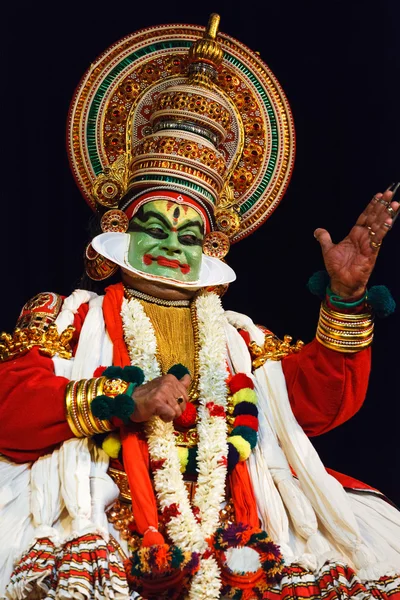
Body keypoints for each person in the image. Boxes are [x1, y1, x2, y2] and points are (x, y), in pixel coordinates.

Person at [1, 13, 399, 600]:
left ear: (210, 249)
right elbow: (9, 410)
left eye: (188, 237)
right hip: (98, 505)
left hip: (240, 518)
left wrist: (345, 297)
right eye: (154, 227)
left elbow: (318, 403)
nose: (169, 246)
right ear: (118, 229)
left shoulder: (239, 336)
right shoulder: (68, 316)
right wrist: (124, 401)